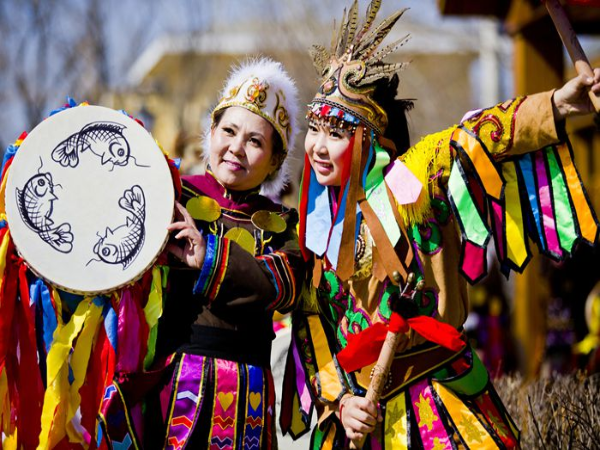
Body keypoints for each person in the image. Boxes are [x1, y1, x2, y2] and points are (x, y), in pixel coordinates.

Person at [279, 1, 600, 449]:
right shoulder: (314, 226)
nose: (317, 145)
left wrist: (557, 104)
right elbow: (313, 331)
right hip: (361, 419)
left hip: (437, 404)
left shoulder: (412, 179)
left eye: (336, 132)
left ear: (371, 139)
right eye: (315, 128)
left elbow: (475, 136)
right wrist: (340, 401)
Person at [98, 57, 306, 449]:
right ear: (211, 132)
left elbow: (284, 286)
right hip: (172, 386)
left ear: (275, 161)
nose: (236, 148)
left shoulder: (281, 224)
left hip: (247, 398)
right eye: (228, 131)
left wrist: (208, 257)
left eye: (255, 141)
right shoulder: (169, 193)